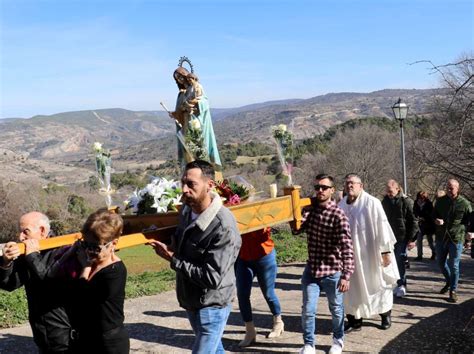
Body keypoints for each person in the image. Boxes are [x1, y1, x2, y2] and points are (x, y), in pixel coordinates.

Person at [149, 160, 241, 354]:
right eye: (183, 183)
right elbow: (184, 242)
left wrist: (172, 259)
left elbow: (212, 277)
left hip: (212, 304)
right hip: (190, 299)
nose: (184, 189)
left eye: (191, 184)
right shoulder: (186, 211)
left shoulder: (222, 226)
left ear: (209, 185)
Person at [48, 209, 129, 353]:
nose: (89, 251)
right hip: (85, 337)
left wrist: (85, 268)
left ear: (114, 243)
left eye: (96, 248)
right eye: (85, 244)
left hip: (108, 343)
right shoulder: (87, 260)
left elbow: (82, 296)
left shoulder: (115, 272)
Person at [295, 174, 354, 354]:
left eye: (324, 187)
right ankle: (309, 344)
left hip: (333, 271)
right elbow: (297, 230)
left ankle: (338, 340)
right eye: (317, 187)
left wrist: (346, 275)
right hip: (312, 270)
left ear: (332, 190)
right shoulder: (310, 211)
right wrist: (296, 212)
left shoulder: (338, 215)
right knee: (308, 310)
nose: (320, 191)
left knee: (336, 309)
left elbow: (347, 246)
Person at [0, 212, 72, 353]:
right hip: (41, 331)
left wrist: (33, 256)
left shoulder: (64, 251)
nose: (21, 237)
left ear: (42, 231)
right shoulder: (27, 253)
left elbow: (50, 281)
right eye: (20, 232)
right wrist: (5, 263)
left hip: (66, 332)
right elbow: (10, 284)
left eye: (26, 231)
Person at [339, 173, 399, 332]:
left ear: (361, 186)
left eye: (353, 183)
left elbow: (383, 227)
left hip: (372, 254)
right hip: (350, 257)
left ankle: (385, 315)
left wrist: (385, 252)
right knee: (352, 289)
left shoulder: (372, 203)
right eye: (347, 183)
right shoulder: (341, 205)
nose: (350, 186)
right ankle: (354, 320)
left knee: (378, 284)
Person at [235, 227, 284, 347]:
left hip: (264, 256)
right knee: (242, 294)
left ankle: (278, 322)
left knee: (268, 293)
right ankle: (250, 331)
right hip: (243, 257)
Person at [169, 66, 222, 170]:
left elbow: (205, 101)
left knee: (198, 148)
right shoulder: (181, 94)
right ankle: (191, 169)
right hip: (186, 124)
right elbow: (179, 111)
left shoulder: (197, 87)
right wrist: (175, 114)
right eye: (177, 78)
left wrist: (195, 104)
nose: (180, 79)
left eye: (180, 76)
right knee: (188, 151)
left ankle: (204, 169)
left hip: (196, 123)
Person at [432, 178, 472, 303]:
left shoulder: (464, 203)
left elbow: (470, 221)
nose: (449, 190)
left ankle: (453, 290)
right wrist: (436, 220)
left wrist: (468, 237)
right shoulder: (440, 201)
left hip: (456, 238)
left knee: (454, 265)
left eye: (452, 187)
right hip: (441, 237)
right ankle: (449, 281)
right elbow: (433, 214)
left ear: (457, 188)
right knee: (440, 263)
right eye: (447, 187)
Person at [381, 179, 418, 298]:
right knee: (389, 262)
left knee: (399, 261)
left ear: (397, 189)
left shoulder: (406, 201)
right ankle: (394, 284)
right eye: (387, 191)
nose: (389, 193)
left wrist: (412, 239)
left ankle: (402, 284)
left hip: (401, 237)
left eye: (390, 191)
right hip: (387, 237)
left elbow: (414, 220)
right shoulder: (384, 202)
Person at [413, 191, 436, 261]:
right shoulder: (415, 203)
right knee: (419, 239)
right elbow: (414, 212)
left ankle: (434, 252)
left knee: (430, 240)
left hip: (428, 225)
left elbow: (432, 214)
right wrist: (417, 217)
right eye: (420, 197)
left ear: (425, 198)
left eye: (423, 198)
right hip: (420, 224)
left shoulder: (429, 203)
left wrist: (424, 217)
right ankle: (419, 255)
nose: (421, 199)